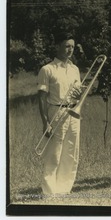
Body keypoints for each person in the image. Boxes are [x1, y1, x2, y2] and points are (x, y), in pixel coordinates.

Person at [37, 31, 83, 195]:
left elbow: (78, 93)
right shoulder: (47, 69)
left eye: (72, 46)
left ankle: (64, 189)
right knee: (54, 154)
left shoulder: (75, 69)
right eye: (66, 46)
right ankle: (49, 192)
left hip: (73, 112)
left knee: (71, 153)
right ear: (57, 47)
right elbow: (42, 98)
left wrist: (80, 96)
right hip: (56, 112)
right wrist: (45, 122)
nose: (70, 50)